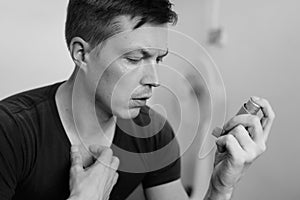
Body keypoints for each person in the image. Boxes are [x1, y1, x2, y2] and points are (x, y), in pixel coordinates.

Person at [0, 0, 275, 200]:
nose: (155, 78)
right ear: (81, 53)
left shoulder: (153, 135)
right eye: (134, 59)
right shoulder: (10, 132)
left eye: (159, 59)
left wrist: (220, 188)